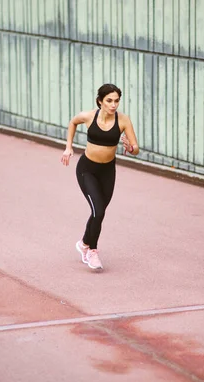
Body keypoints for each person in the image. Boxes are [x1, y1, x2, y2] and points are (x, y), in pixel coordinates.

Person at [60, 83, 140, 271]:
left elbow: (136, 149)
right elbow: (73, 122)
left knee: (99, 211)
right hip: (87, 169)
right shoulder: (89, 116)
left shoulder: (123, 120)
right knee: (99, 211)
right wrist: (68, 147)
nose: (113, 105)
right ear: (100, 101)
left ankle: (84, 243)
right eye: (109, 101)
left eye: (116, 101)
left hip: (108, 172)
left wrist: (130, 148)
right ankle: (92, 252)